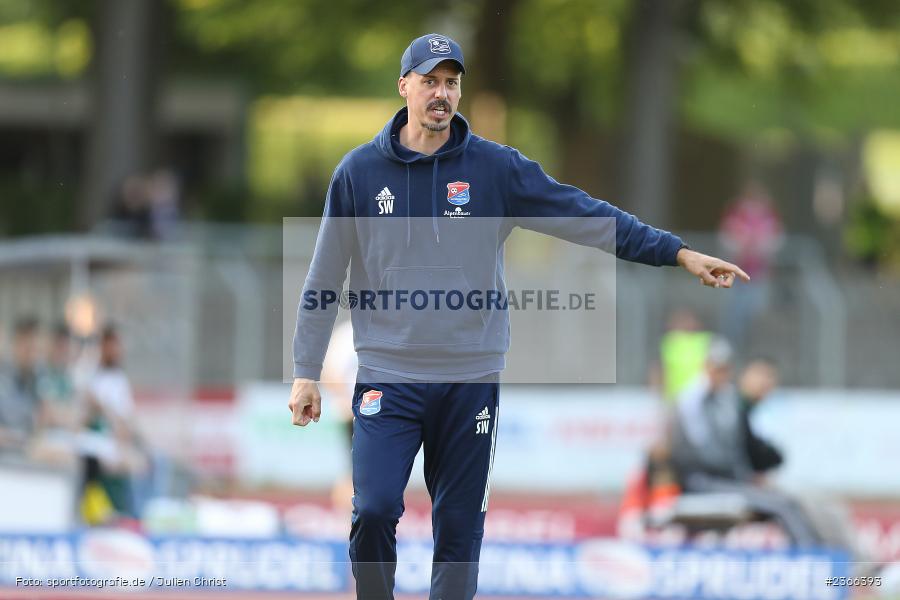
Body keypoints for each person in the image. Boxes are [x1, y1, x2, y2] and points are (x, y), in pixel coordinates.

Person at [288, 33, 749, 600]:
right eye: (429, 81)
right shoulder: (358, 172)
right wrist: (306, 370)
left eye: (451, 83)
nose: (441, 93)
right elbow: (324, 276)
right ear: (403, 85)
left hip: (470, 376)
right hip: (388, 373)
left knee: (458, 530)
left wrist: (675, 251)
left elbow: (584, 214)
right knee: (377, 508)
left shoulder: (494, 169)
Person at [669, 339, 826, 548]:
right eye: (716, 368)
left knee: (800, 503)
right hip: (704, 483)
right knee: (784, 505)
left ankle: (830, 560)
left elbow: (737, 445)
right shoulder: (692, 402)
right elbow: (705, 456)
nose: (721, 374)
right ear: (706, 367)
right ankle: (814, 560)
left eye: (725, 368)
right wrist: (744, 475)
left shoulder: (724, 401)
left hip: (728, 480)